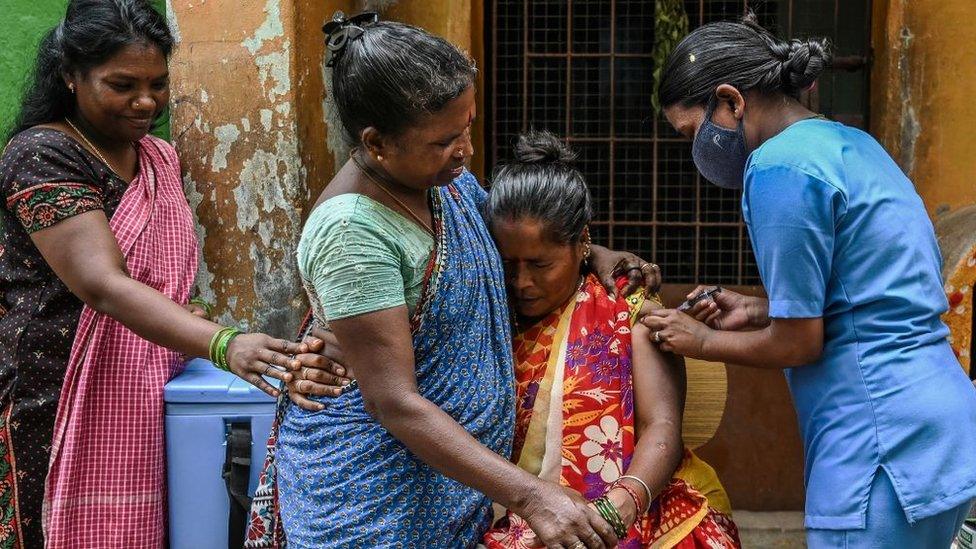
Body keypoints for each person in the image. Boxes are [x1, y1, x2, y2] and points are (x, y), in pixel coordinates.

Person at [246, 13, 654, 549]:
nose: (464, 149)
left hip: (449, 488)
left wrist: (593, 252)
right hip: (372, 499)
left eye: (467, 126)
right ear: (377, 144)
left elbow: (510, 237)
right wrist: (531, 496)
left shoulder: (439, 182)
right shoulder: (351, 234)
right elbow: (393, 401)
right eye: (444, 139)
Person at [643, 13, 976, 548]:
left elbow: (800, 341)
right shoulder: (851, 145)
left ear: (730, 102)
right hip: (939, 431)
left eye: (693, 132)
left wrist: (704, 341)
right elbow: (864, 295)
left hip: (878, 445)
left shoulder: (779, 169)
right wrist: (758, 310)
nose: (696, 151)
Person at [0, 1, 309, 546]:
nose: (146, 102)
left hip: (146, 384)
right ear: (70, 75)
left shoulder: (157, 158)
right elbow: (102, 284)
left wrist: (175, 316)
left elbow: (152, 275)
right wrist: (223, 343)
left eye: (158, 84)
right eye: (122, 85)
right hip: (53, 394)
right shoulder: (41, 153)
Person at [478, 131, 740, 548]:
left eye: (540, 264)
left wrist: (621, 504)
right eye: (508, 263)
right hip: (533, 516)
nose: (521, 282)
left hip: (643, 507)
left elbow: (663, 425)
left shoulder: (627, 306)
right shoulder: (489, 312)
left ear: (583, 242)